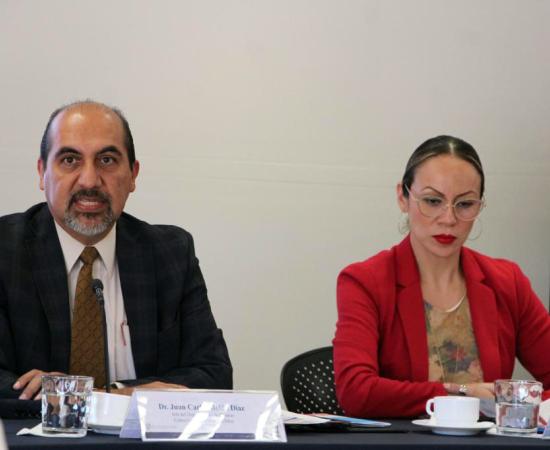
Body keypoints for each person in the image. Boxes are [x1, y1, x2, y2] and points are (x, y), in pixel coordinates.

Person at [0, 100, 232, 399]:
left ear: (133, 174)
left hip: (140, 431)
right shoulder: (6, 250)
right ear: (42, 172)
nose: (89, 180)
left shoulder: (170, 253)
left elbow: (215, 374)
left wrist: (114, 395)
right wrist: (53, 395)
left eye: (107, 160)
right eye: (70, 160)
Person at [333, 135, 550, 418]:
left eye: (465, 204)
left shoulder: (507, 281)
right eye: (433, 201)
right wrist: (462, 394)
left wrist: (518, 407)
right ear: (403, 197)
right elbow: (356, 391)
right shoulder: (365, 281)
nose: (449, 219)